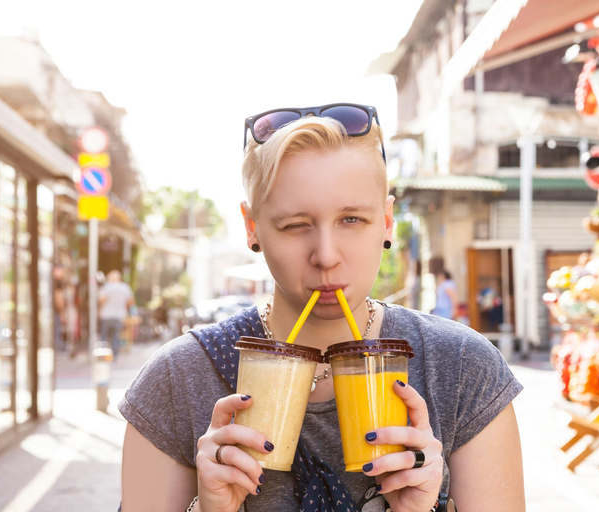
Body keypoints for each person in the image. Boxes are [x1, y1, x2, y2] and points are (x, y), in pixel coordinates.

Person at [120, 104, 525, 512]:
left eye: (351, 220)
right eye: (295, 225)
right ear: (252, 228)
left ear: (386, 222)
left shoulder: (460, 368)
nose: (326, 256)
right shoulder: (177, 380)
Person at [99, 269, 134, 360]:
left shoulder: (107, 287)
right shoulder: (124, 287)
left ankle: (103, 355)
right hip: (119, 315)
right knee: (115, 336)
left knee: (104, 336)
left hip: (106, 315)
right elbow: (130, 301)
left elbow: (101, 301)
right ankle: (115, 355)